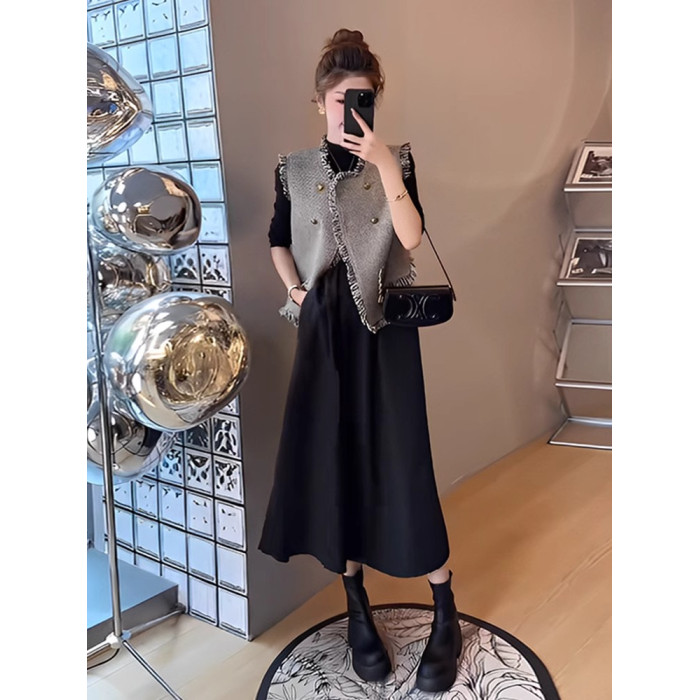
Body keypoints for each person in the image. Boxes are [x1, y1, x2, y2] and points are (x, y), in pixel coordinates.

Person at [257, 28, 461, 693]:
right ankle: (356, 606)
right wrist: (295, 291)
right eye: (343, 98)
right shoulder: (292, 168)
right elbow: (277, 240)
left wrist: (386, 166)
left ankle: (444, 607)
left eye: (364, 98)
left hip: (386, 329)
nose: (352, 109)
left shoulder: (395, 160)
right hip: (323, 332)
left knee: (404, 461)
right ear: (320, 101)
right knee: (333, 462)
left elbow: (412, 238)